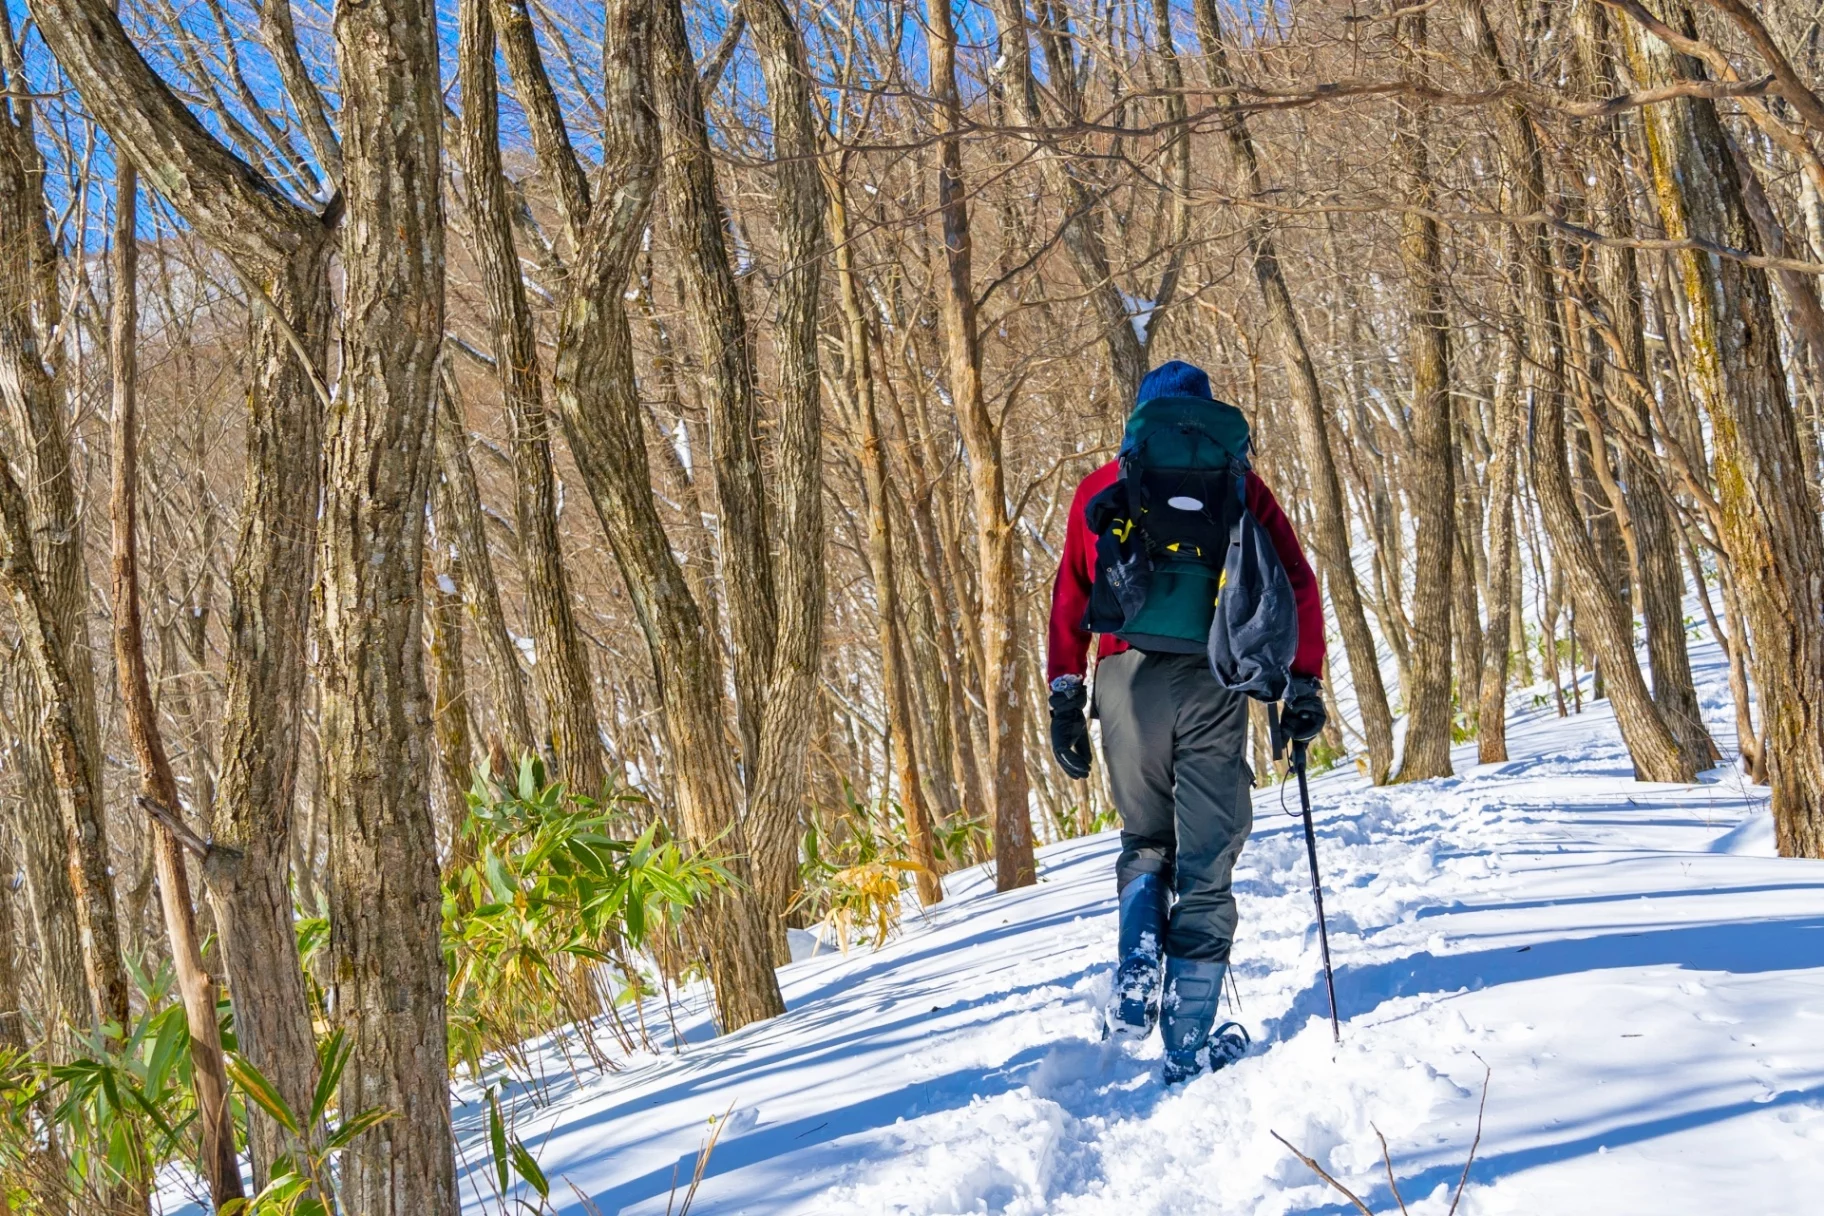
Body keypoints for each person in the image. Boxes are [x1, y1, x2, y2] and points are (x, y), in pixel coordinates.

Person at [1046, 360, 1328, 1083]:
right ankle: (1188, 1043)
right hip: (1214, 678)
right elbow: (1296, 580)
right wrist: (1301, 682)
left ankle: (1138, 969)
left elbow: (1072, 597)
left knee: (1145, 838)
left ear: (1140, 422)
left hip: (1123, 678)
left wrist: (1065, 696)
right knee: (1207, 857)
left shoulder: (1103, 487)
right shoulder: (1238, 484)